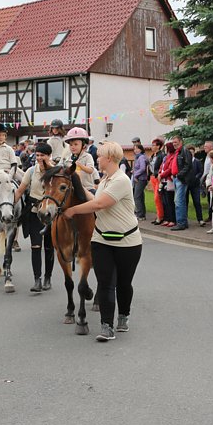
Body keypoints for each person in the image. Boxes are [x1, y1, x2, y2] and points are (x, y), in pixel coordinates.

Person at [63, 141, 142, 342]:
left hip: (127, 241)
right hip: (101, 240)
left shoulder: (121, 180)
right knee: (105, 283)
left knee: (123, 284)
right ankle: (106, 326)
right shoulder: (105, 179)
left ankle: (123, 315)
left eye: (99, 156)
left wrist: (72, 210)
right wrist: (76, 185)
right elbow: (94, 198)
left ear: (109, 158)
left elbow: (99, 204)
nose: (97, 159)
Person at [14, 142, 55, 292]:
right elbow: (20, 191)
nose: (39, 158)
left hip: (50, 215)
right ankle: (37, 280)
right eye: (37, 155)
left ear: (49, 156)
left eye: (42, 155)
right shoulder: (31, 171)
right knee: (35, 247)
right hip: (34, 212)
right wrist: (10, 207)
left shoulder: (56, 171)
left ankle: (48, 278)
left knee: (49, 248)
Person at [170, 135, 194, 231]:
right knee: (180, 201)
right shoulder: (178, 152)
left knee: (178, 201)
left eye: (175, 142)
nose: (174, 144)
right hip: (177, 178)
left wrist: (179, 175)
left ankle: (181, 223)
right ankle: (183, 222)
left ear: (181, 142)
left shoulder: (185, 151)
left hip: (181, 179)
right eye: (173, 142)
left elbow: (188, 165)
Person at [64, 127, 96, 192]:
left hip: (87, 188)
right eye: (71, 145)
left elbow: (90, 170)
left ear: (84, 145)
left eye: (76, 144)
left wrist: (80, 165)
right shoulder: (68, 159)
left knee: (94, 196)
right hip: (73, 189)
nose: (73, 147)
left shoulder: (87, 156)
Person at [158, 141, 177, 227]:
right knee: (164, 201)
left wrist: (162, 174)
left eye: (166, 148)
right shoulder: (165, 157)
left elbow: (170, 169)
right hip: (163, 180)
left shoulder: (172, 157)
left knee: (170, 201)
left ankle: (172, 219)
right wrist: (159, 173)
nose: (164, 149)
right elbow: (161, 167)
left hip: (168, 181)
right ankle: (166, 218)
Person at [186, 144, 205, 227]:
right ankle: (185, 219)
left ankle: (200, 219)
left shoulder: (197, 161)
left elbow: (201, 171)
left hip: (195, 185)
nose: (191, 154)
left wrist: (196, 177)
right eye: (189, 152)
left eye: (192, 152)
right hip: (186, 184)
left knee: (197, 202)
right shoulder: (185, 162)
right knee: (185, 202)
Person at [149, 138, 165, 224]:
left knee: (157, 198)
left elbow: (162, 166)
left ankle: (160, 216)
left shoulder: (161, 155)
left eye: (153, 145)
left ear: (158, 146)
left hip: (158, 178)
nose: (152, 147)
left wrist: (159, 174)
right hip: (153, 177)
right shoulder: (153, 155)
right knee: (156, 198)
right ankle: (159, 215)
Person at [131, 144, 148, 220]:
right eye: (134, 149)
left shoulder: (141, 157)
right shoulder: (137, 157)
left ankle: (140, 214)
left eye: (137, 149)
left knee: (137, 196)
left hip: (141, 179)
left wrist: (136, 175)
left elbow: (142, 168)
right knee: (140, 196)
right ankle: (141, 214)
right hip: (138, 178)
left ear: (141, 149)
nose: (136, 150)